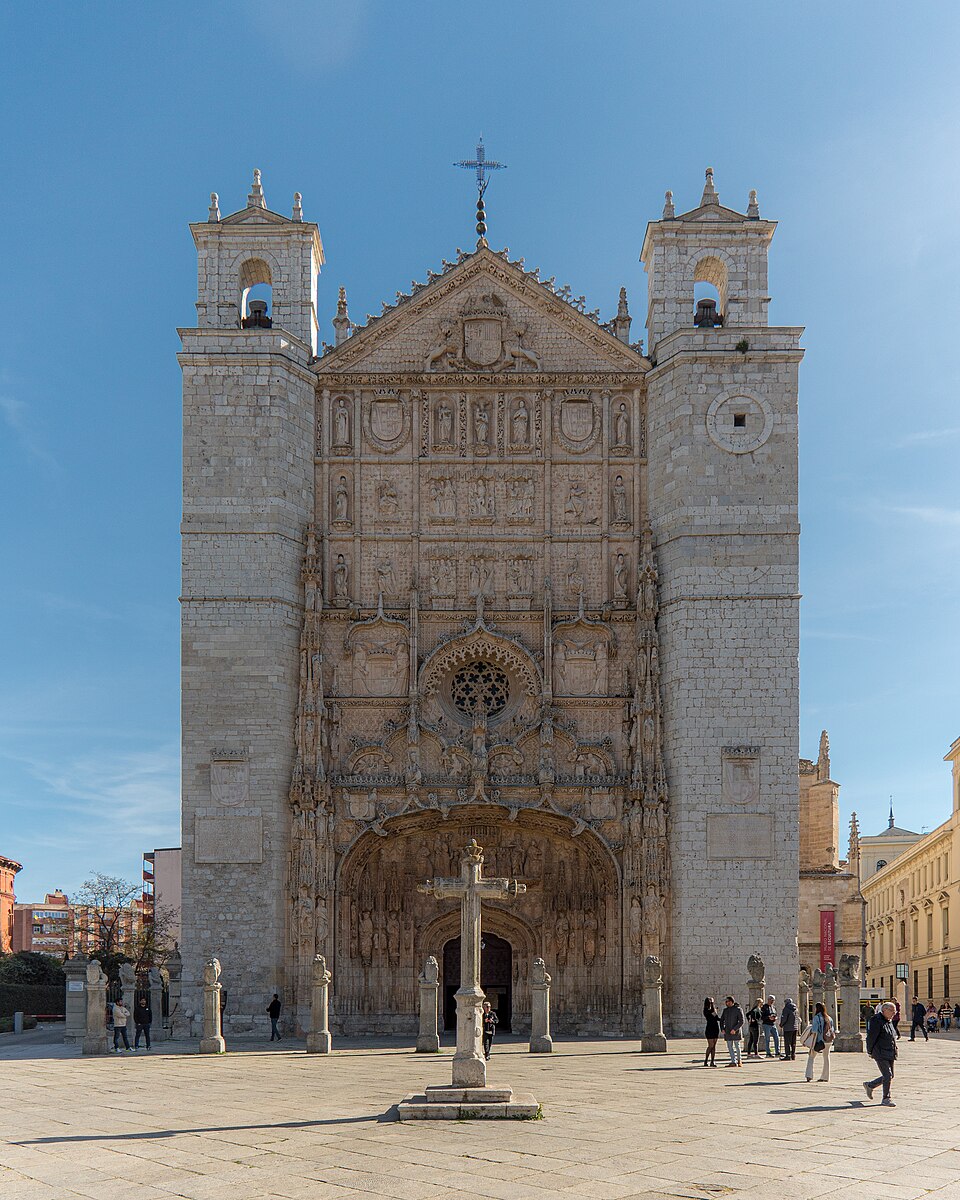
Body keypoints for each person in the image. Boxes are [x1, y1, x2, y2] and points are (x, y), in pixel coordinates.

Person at [864, 1001, 899, 1107]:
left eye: (895, 1011)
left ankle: (870, 1085)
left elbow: (892, 1036)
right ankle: (886, 1098)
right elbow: (871, 1037)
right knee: (887, 1075)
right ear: (884, 1010)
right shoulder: (876, 1020)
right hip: (879, 1052)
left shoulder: (889, 1021)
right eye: (892, 1011)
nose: (894, 1013)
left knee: (890, 1075)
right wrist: (870, 1051)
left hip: (890, 1051)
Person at [802, 1000, 834, 1082]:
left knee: (811, 1057)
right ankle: (826, 1077)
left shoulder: (817, 1018)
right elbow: (832, 1029)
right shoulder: (829, 1018)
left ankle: (809, 1075)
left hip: (819, 1041)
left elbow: (814, 1030)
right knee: (826, 1057)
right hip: (828, 1041)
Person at [720, 996, 744, 1067]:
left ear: (731, 1001)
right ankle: (733, 1061)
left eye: (727, 1001)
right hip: (727, 1031)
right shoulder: (725, 1010)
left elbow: (741, 1021)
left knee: (737, 1046)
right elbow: (722, 1020)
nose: (726, 1003)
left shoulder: (738, 1009)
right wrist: (722, 1029)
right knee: (730, 1046)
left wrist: (735, 1029)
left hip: (736, 1031)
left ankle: (739, 1060)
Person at [703, 997, 720, 1067]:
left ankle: (712, 1061)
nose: (711, 1004)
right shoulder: (706, 1010)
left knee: (714, 1046)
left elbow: (717, 1018)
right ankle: (706, 1060)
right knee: (711, 1045)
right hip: (709, 1028)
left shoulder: (713, 1010)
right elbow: (710, 1014)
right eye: (710, 1002)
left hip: (715, 1028)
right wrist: (713, 1006)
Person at [779, 996, 799, 1060]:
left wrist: (781, 1024)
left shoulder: (786, 1009)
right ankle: (793, 1055)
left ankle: (788, 1055)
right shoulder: (795, 1009)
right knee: (793, 1042)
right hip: (795, 1028)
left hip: (788, 1028)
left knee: (787, 1042)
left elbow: (784, 1018)